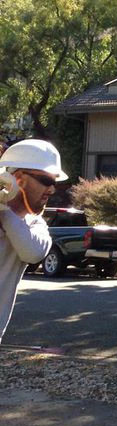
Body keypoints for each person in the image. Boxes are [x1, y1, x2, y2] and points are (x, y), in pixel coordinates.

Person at [0, 139, 65, 343]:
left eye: (54, 182)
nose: (52, 190)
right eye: (46, 181)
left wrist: (5, 214)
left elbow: (32, 251)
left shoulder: (36, 225)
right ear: (17, 179)